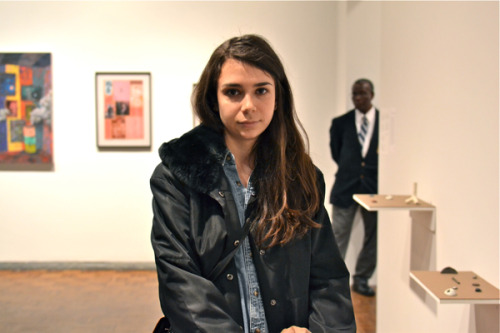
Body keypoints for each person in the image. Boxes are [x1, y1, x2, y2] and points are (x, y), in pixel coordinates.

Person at [150, 34, 356, 333]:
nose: (249, 105)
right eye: (233, 92)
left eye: (261, 90)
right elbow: (180, 283)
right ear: (213, 98)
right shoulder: (176, 176)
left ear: (277, 96)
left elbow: (329, 277)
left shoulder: (301, 176)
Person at [329, 78, 379, 297]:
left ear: (372, 95)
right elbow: (336, 153)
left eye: (363, 94)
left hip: (375, 189)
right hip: (345, 187)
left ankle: (362, 279)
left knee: (373, 237)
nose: (358, 98)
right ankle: (332, 283)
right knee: (337, 237)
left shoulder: (384, 121)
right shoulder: (340, 123)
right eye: (354, 94)